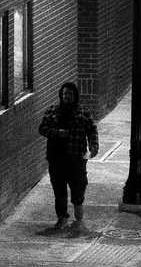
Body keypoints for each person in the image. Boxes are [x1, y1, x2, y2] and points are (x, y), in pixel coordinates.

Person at [37, 81, 98, 231]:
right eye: (64, 94)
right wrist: (57, 133)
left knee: (78, 186)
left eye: (69, 94)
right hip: (56, 158)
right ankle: (62, 218)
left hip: (76, 158)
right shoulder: (52, 111)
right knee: (59, 190)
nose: (67, 97)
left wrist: (93, 146)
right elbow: (42, 129)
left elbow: (92, 130)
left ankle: (78, 218)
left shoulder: (83, 113)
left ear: (75, 96)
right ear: (61, 95)